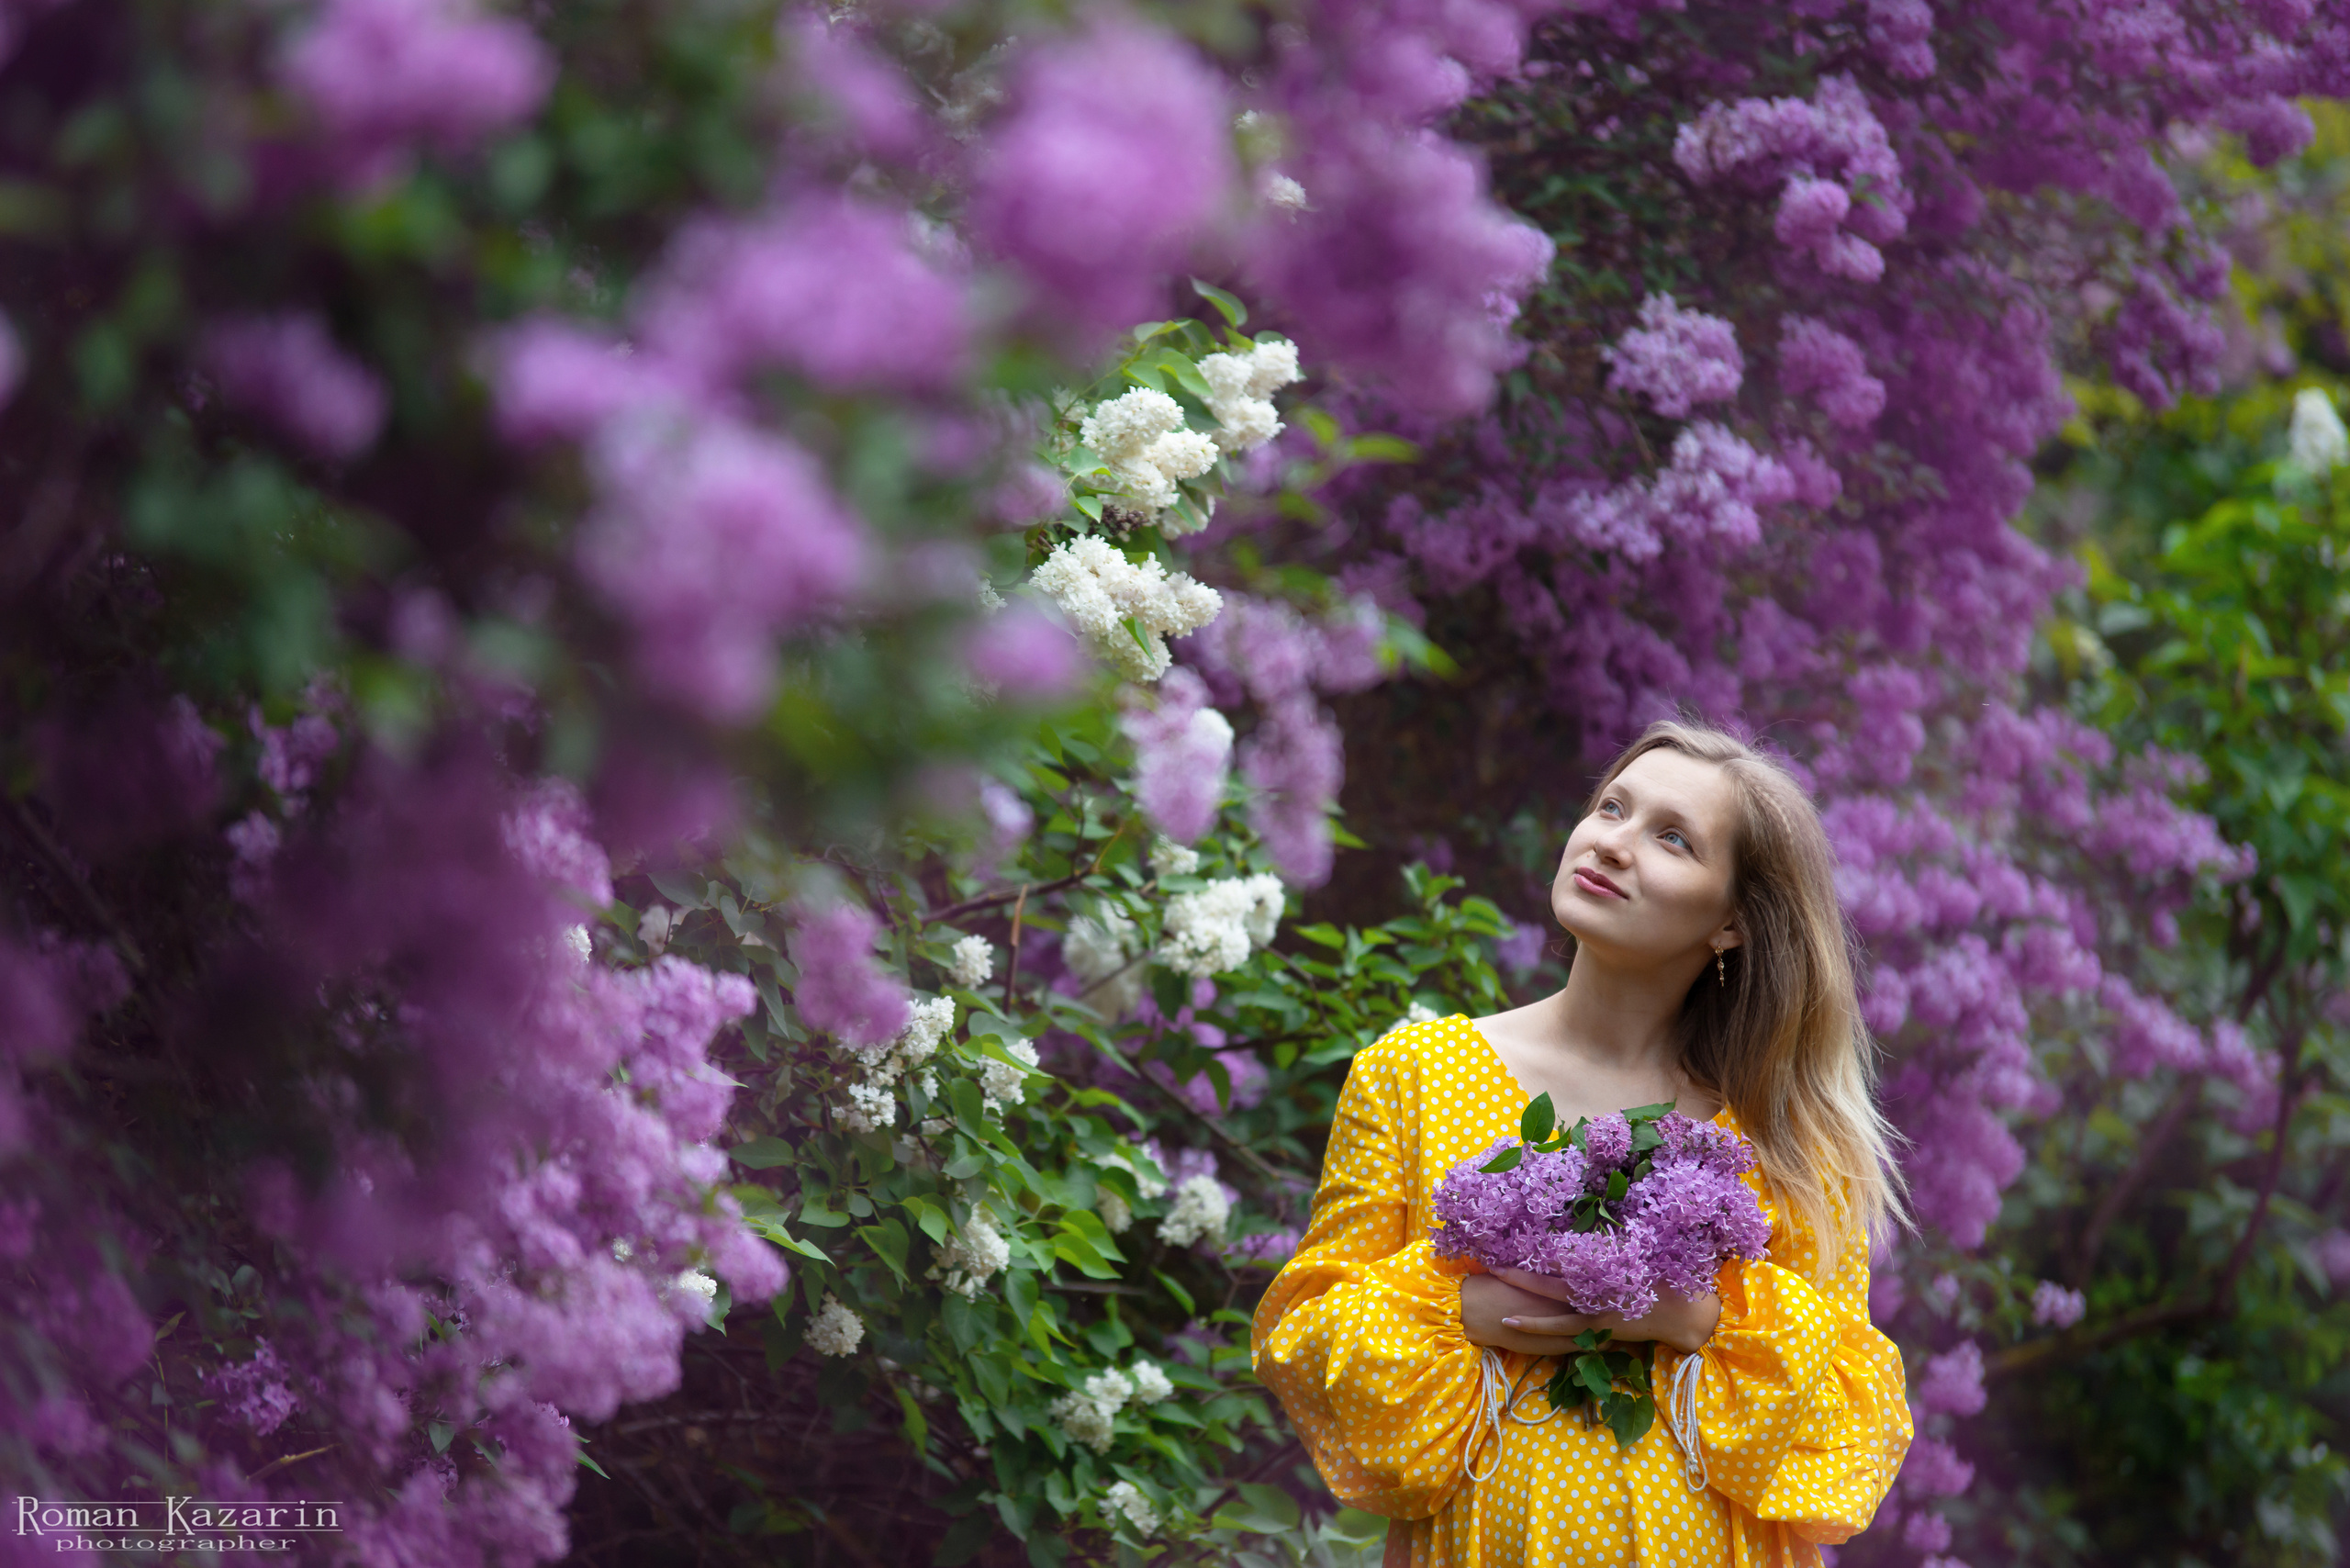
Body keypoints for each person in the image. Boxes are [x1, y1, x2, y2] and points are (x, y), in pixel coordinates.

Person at [1252, 720, 1912, 1567]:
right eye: (1612, 808)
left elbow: (1845, 1419)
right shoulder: (1415, 1072)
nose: (1613, 844)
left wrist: (1698, 1317)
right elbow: (1303, 1338)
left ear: (1733, 924)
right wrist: (1463, 1308)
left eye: (1673, 838)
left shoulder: (1786, 1139)